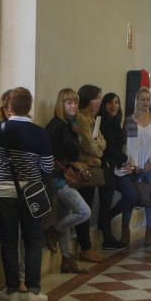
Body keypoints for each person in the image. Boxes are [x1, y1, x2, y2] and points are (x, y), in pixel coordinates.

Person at [0, 87, 53, 301]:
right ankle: (34, 290)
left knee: (8, 241)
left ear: (9, 107)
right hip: (32, 193)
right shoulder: (40, 133)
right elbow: (48, 166)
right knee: (33, 241)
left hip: (2, 193)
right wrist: (36, 182)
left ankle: (12, 289)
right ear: (29, 107)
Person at [45, 88, 92, 274]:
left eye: (75, 102)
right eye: (69, 103)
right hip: (59, 178)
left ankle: (66, 259)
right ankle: (53, 231)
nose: (73, 106)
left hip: (66, 176)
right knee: (84, 211)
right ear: (61, 104)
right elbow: (49, 154)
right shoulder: (57, 126)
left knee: (65, 216)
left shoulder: (70, 124)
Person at [74, 85, 123, 259]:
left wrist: (98, 147)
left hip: (95, 168)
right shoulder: (81, 118)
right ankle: (85, 247)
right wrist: (98, 148)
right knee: (85, 209)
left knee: (90, 207)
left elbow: (103, 143)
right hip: (85, 168)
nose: (99, 102)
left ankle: (87, 246)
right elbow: (90, 145)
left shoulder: (93, 119)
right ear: (88, 99)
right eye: (97, 98)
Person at [117, 87, 151, 245]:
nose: (145, 102)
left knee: (148, 196)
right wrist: (131, 163)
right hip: (132, 164)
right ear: (137, 100)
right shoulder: (129, 120)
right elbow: (124, 144)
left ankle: (149, 233)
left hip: (150, 164)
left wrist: (149, 163)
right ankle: (125, 231)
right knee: (129, 197)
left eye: (147, 99)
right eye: (142, 99)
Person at [98, 92, 126, 245]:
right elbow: (105, 147)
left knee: (129, 195)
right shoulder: (100, 121)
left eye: (116, 102)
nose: (114, 105)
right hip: (105, 166)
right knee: (105, 200)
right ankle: (107, 238)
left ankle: (105, 221)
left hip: (116, 167)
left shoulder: (116, 121)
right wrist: (124, 158)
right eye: (110, 102)